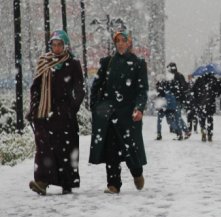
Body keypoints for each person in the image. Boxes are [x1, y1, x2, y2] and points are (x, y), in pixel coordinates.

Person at [26, 30, 85, 195]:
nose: (57, 48)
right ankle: (42, 182)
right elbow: (35, 88)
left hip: (64, 113)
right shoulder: (44, 62)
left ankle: (67, 182)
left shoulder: (73, 63)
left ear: (65, 46)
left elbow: (80, 88)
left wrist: (72, 107)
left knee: (65, 148)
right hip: (44, 113)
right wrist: (34, 107)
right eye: (54, 44)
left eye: (60, 44)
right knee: (44, 148)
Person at [89, 31, 148, 194]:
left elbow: (142, 91)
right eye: (118, 41)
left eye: (124, 40)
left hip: (129, 115)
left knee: (131, 149)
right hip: (110, 114)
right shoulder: (108, 62)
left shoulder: (138, 63)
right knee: (111, 150)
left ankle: (137, 173)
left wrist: (139, 108)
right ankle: (113, 184)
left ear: (129, 42)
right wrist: (95, 106)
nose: (121, 44)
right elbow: (96, 85)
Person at [192, 72, 221, 142]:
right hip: (210, 103)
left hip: (201, 103)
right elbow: (218, 92)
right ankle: (210, 134)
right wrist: (214, 95)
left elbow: (194, 91)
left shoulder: (199, 80)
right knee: (210, 119)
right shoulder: (213, 80)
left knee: (202, 119)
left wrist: (197, 99)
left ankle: (204, 133)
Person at [167, 62, 191, 139]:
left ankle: (181, 133)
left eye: (169, 68)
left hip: (177, 99)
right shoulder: (177, 75)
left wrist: (174, 90)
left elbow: (181, 87)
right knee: (177, 117)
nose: (168, 70)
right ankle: (184, 131)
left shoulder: (176, 76)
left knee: (177, 117)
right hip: (177, 99)